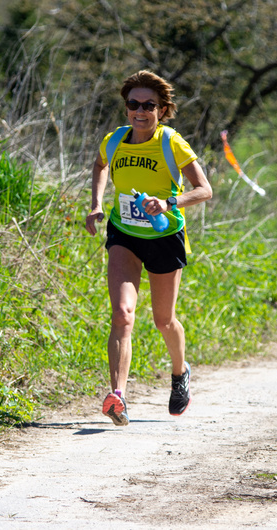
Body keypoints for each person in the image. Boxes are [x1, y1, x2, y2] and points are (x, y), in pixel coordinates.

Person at [85, 70, 213, 426]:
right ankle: (117, 396)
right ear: (126, 107)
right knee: (123, 313)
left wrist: (169, 202)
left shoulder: (171, 143)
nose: (140, 111)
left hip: (164, 236)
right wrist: (96, 203)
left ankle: (180, 371)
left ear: (162, 109)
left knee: (163, 320)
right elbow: (100, 165)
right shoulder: (114, 140)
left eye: (148, 105)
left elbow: (205, 189)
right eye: (133, 104)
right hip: (124, 234)